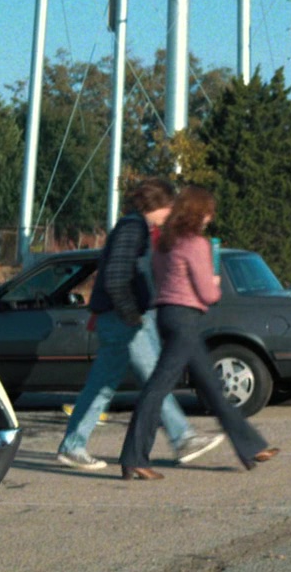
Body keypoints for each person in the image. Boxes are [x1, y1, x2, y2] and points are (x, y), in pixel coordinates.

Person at [57, 178, 223, 471]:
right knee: (154, 377)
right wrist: (132, 314)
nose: (171, 213)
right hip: (125, 318)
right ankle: (183, 437)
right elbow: (117, 276)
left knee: (103, 385)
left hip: (119, 317)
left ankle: (73, 445)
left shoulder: (136, 228)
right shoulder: (132, 229)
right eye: (169, 207)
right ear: (157, 205)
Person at [118, 186, 276, 480]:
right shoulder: (196, 244)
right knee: (158, 388)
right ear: (198, 213)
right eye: (207, 212)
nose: (209, 218)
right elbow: (207, 292)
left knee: (211, 387)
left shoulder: (165, 243)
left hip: (166, 315)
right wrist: (215, 283)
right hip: (185, 318)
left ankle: (251, 447)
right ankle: (134, 457)